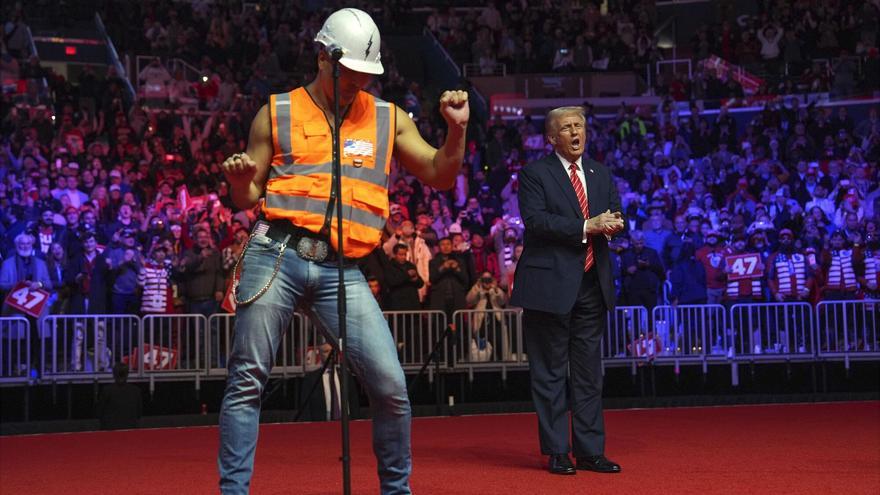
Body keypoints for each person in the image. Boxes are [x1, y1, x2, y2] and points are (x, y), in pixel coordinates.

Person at [217, 8, 469, 494]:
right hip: (276, 254)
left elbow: (440, 173)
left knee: (392, 388)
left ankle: (397, 491)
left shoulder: (388, 118)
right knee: (247, 380)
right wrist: (238, 183)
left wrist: (456, 130)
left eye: (365, 73)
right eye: (349, 70)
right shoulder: (276, 112)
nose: (357, 81)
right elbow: (248, 199)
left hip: (343, 269)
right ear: (321, 56)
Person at [510, 106, 625, 476]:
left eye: (580, 126)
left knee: (590, 374)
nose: (575, 132)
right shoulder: (534, 174)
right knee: (550, 373)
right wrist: (588, 225)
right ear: (551, 138)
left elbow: (616, 213)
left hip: (593, 284)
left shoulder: (600, 173)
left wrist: (613, 224)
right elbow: (536, 221)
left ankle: (591, 452)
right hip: (549, 287)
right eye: (567, 127)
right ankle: (558, 450)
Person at [96, 362, 143, 430]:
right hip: (131, 430)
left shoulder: (107, 390)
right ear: (127, 374)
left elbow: (99, 412)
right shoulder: (136, 391)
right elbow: (139, 414)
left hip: (110, 431)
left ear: (114, 374)